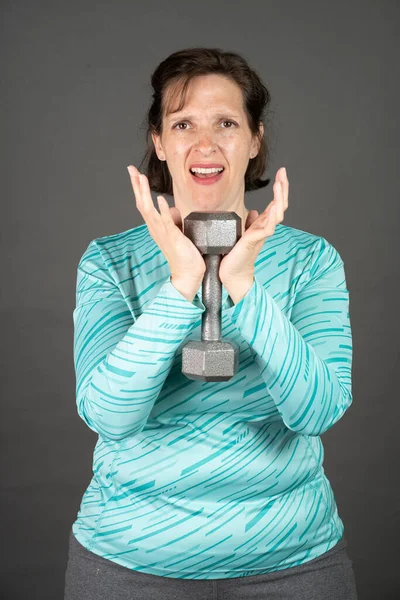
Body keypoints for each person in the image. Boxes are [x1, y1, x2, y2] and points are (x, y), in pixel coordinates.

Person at [64, 47, 358, 599]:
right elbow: (109, 415)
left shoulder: (312, 261)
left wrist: (244, 284)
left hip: (294, 565)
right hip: (128, 563)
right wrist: (180, 284)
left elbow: (317, 412)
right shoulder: (108, 261)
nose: (205, 143)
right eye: (183, 124)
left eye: (226, 122)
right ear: (158, 142)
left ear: (254, 140)